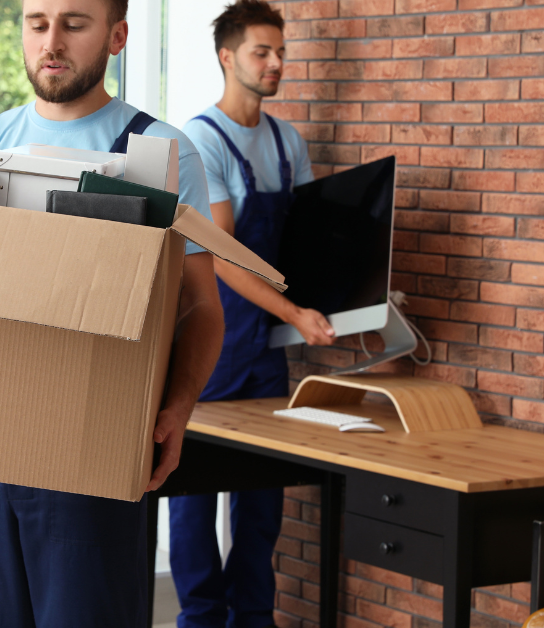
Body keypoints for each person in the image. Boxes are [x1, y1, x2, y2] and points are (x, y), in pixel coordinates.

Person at [0, 0, 222, 625]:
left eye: (74, 23)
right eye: (37, 24)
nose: (51, 41)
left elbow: (199, 305)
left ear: (116, 36)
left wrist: (179, 406)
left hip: (97, 441)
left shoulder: (162, 153)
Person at [168, 2, 335, 627]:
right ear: (227, 57)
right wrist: (296, 311)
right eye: (262, 52)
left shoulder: (287, 141)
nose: (275, 64)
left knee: (262, 500)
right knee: (192, 496)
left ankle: (254, 619)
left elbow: (305, 245)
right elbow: (225, 256)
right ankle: (202, 619)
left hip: (267, 349)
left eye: (281, 52)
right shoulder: (198, 142)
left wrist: (348, 303)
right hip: (210, 341)